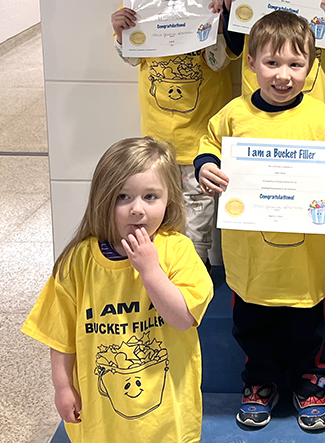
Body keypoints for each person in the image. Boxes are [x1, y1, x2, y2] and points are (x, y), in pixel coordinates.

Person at [195, 11, 325, 432]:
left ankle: (309, 381)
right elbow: (208, 145)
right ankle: (260, 381)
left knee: (306, 324)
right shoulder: (233, 114)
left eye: (295, 64)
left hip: (305, 254)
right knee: (252, 323)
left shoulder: (318, 115)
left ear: (312, 67)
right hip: (251, 257)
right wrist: (206, 167)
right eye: (272, 63)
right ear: (251, 63)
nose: (283, 75)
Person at [22, 137, 214, 443]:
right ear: (103, 199)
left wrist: (151, 271)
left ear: (170, 202)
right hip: (101, 414)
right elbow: (58, 333)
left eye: (151, 196)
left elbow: (182, 318)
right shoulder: (78, 262)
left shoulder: (178, 251)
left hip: (166, 413)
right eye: (123, 196)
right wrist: (62, 386)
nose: (137, 209)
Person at [111, 0, 239, 270]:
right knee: (156, 223)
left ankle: (191, 295)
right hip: (156, 143)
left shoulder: (212, 4)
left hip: (201, 143)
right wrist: (121, 32)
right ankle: (160, 285)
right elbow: (133, 57)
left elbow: (219, 61)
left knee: (197, 232)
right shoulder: (138, 8)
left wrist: (222, 19)